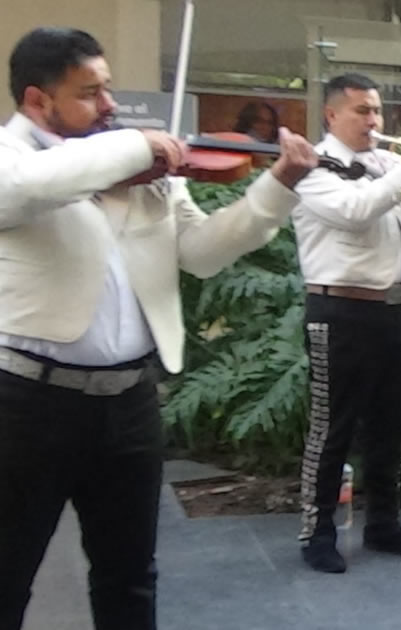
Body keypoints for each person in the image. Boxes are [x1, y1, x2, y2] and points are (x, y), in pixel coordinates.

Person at [0, 27, 317, 630]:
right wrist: (137, 145)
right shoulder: (11, 158)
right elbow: (30, 188)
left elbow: (200, 253)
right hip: (25, 406)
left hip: (129, 403)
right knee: (7, 574)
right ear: (38, 101)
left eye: (108, 88)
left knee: (130, 578)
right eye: (90, 93)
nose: (110, 106)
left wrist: (276, 191)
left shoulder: (145, 172)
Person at [291, 73, 401, 573]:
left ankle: (383, 524)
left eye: (377, 111)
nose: (374, 121)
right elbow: (356, 211)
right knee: (331, 428)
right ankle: (316, 534)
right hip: (340, 311)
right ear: (332, 115)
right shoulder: (312, 168)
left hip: (395, 308)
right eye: (362, 110)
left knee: (390, 424)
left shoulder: (386, 163)